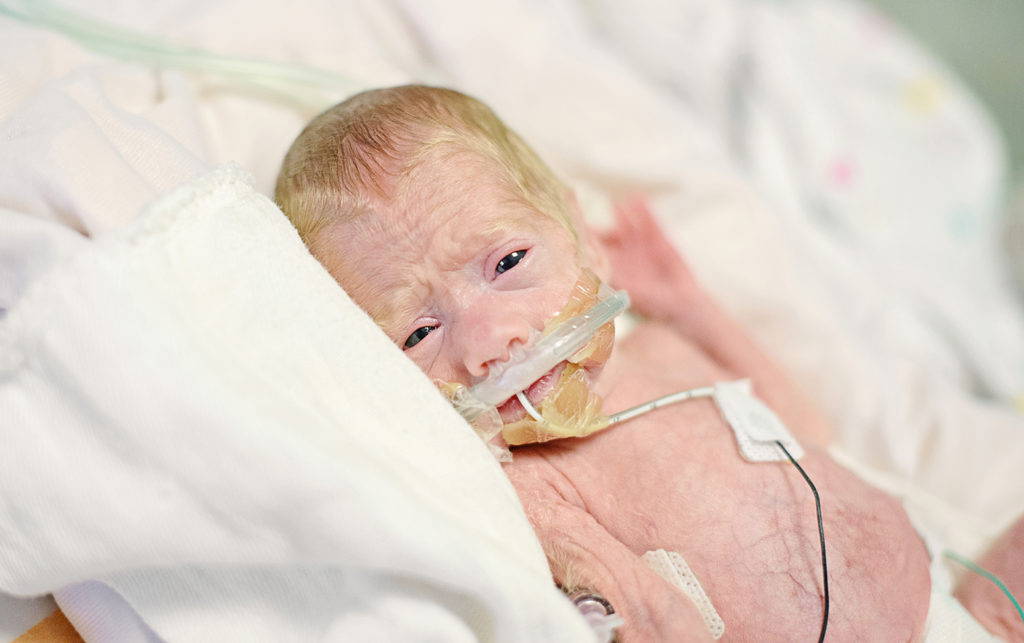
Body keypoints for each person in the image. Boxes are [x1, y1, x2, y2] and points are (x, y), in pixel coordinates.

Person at [275, 85, 1023, 641]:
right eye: (420, 332)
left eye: (506, 261)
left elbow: (807, 429)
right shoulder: (528, 483)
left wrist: (692, 306)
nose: (489, 338)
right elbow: (639, 610)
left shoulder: (664, 353)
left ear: (581, 235)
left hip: (957, 613)